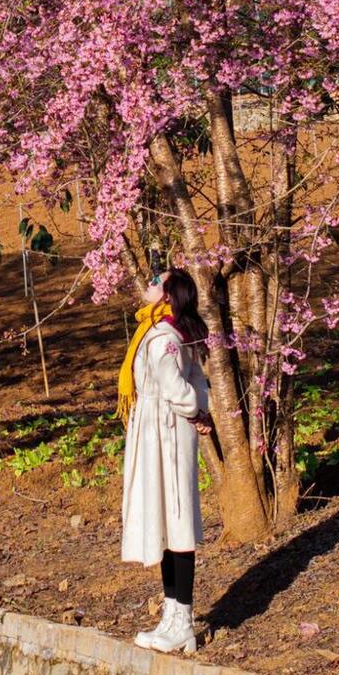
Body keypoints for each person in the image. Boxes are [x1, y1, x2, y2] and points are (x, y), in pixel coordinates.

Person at [118, 266, 214, 654]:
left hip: (166, 432)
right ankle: (172, 614)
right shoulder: (162, 333)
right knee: (166, 521)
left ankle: (183, 620)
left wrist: (195, 412)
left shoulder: (163, 340)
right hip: (159, 429)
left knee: (176, 519)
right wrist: (199, 412)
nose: (151, 283)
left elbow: (181, 388)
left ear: (170, 296)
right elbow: (196, 382)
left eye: (159, 281)